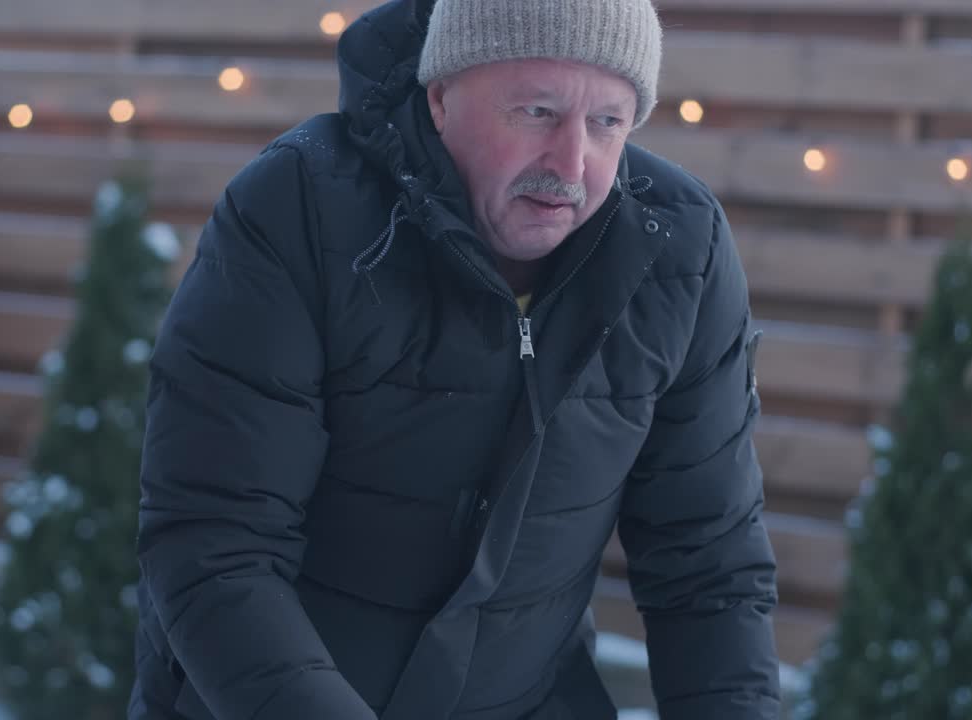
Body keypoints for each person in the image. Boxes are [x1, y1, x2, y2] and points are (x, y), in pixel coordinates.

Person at [129, 0, 781, 717]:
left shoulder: (677, 252)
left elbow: (708, 566)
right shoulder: (298, 209)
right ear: (440, 96)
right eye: (537, 111)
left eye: (607, 123)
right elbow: (217, 542)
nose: (571, 163)